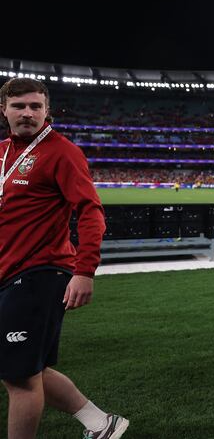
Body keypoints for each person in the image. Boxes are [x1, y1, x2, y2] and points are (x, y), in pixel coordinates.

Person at [0, 78, 128, 439]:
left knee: (20, 377)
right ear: (4, 110)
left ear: (47, 111)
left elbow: (90, 212)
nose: (27, 113)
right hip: (7, 273)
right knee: (25, 369)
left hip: (40, 272)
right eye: (19, 106)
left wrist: (85, 271)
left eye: (35, 106)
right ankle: (101, 424)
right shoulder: (2, 153)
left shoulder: (62, 151)